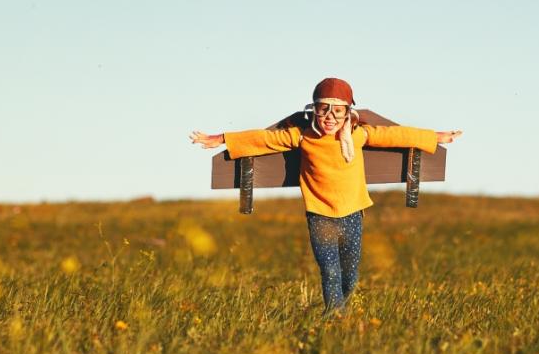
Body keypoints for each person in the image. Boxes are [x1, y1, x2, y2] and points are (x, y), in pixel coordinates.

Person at [188, 77, 462, 315]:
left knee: (350, 275)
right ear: (314, 111)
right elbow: (263, 139)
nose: (330, 117)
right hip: (319, 216)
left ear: (347, 113)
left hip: (353, 213)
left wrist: (435, 137)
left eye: (337, 111)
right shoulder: (302, 137)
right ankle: (335, 318)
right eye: (324, 110)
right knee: (330, 271)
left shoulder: (358, 135)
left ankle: (344, 313)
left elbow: (396, 136)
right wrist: (221, 137)